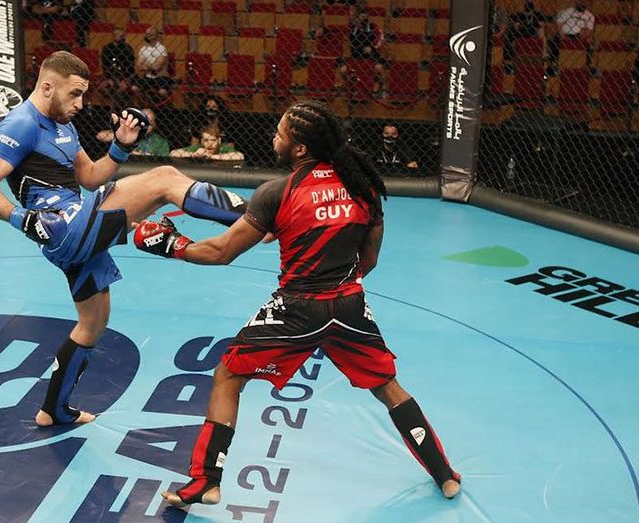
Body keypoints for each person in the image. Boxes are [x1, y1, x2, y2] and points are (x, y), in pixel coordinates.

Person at [133, 100, 460, 507]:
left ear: (300, 148)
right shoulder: (362, 186)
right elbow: (369, 260)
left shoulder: (277, 192)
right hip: (349, 305)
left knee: (228, 376)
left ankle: (205, 482)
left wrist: (169, 244)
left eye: (281, 132)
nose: (274, 136)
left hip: (296, 309)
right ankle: (445, 474)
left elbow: (220, 252)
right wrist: (337, 286)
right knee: (387, 387)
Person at [0, 51, 248, 427]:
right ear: (48, 86)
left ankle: (52, 409)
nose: (80, 104)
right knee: (163, 177)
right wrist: (22, 218)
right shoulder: (20, 124)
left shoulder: (63, 124)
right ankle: (260, 216)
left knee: (94, 322)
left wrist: (121, 144)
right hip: (63, 227)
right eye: (75, 94)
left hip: (75, 225)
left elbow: (90, 178)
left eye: (83, 95)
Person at [548, 0, 594, 75]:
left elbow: (588, 32)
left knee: (590, 43)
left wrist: (583, 35)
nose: (581, 3)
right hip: (565, 35)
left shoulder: (590, 16)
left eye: (583, 2)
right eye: (580, 1)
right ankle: (554, 64)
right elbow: (559, 25)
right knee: (554, 40)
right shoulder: (567, 12)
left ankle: (587, 65)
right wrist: (563, 36)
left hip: (580, 36)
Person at [131, 27, 171, 103]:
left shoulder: (161, 49)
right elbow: (138, 66)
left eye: (150, 34)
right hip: (147, 76)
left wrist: (146, 64)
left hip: (160, 76)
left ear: (156, 35)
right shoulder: (143, 49)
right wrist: (152, 65)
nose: (148, 36)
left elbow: (157, 66)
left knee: (162, 92)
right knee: (134, 88)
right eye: (146, 34)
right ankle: (144, 104)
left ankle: (167, 107)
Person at [98, 28, 135, 107]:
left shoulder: (128, 49)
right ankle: (108, 106)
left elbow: (130, 66)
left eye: (124, 36)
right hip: (110, 75)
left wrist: (124, 79)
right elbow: (105, 65)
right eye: (121, 36)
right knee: (102, 88)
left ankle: (116, 105)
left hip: (124, 75)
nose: (123, 38)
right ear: (114, 37)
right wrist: (108, 78)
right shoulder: (107, 48)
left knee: (122, 88)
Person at [170, 126, 244, 161]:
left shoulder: (224, 147)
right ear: (202, 141)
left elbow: (240, 156)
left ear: (219, 140)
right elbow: (173, 153)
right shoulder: (198, 147)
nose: (209, 144)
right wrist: (194, 155)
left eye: (213, 140)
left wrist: (212, 157)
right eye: (206, 140)